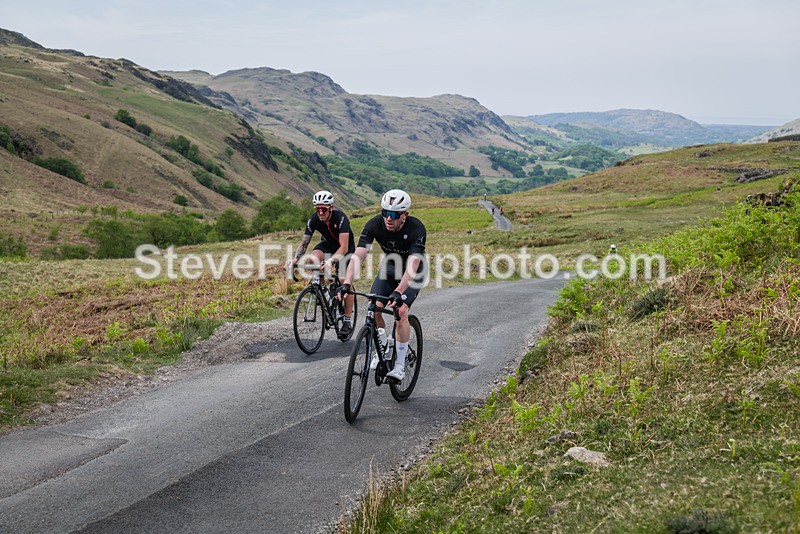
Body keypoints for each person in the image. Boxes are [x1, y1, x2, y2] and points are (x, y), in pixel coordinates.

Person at [336, 189, 427, 381]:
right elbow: (358, 255)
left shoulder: (416, 229)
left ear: (405, 215)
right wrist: (347, 282)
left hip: (413, 273)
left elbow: (413, 266)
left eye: (394, 215)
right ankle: (383, 344)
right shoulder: (375, 224)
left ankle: (400, 366)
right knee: (374, 307)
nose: (388, 218)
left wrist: (398, 292)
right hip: (390, 269)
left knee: (401, 312)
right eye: (385, 212)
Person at [286, 190, 356, 338]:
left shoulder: (341, 218)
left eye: (323, 209)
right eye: (317, 209)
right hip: (328, 244)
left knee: (344, 281)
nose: (320, 212)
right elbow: (304, 244)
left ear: (331, 207)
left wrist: (331, 260)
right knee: (313, 258)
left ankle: (347, 321)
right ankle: (321, 288)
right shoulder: (313, 220)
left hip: (345, 248)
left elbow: (343, 247)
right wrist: (295, 260)